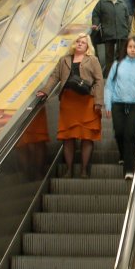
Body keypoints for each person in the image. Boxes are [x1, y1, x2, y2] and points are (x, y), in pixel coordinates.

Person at [36, 33, 104, 178]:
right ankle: (69, 169)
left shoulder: (92, 60)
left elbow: (99, 81)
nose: (80, 44)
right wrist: (45, 91)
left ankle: (84, 169)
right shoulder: (64, 60)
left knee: (87, 136)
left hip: (87, 102)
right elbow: (55, 76)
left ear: (87, 47)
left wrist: (98, 101)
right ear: (73, 44)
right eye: (78, 41)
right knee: (68, 137)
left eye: (83, 43)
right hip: (68, 102)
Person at [105, 37, 135, 179]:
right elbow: (109, 86)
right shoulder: (117, 64)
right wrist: (108, 104)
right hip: (117, 103)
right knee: (119, 132)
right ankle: (123, 154)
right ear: (126, 48)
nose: (132, 49)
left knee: (130, 134)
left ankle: (129, 169)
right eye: (130, 47)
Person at [91, 0, 131, 77]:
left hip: (122, 33)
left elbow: (127, 17)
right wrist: (95, 24)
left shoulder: (122, 3)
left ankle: (120, 74)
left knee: (121, 55)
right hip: (108, 33)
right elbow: (96, 14)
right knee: (109, 56)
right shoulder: (102, 2)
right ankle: (108, 75)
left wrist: (128, 30)